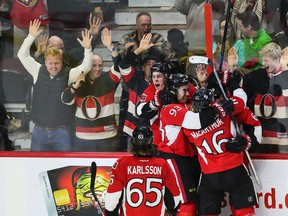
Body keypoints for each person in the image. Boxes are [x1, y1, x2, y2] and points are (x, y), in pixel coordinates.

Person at [17, 19, 92, 151]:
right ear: (45, 62)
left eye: (57, 63)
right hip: (39, 131)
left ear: (62, 62)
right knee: (37, 168)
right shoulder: (37, 70)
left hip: (62, 132)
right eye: (50, 63)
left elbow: (86, 66)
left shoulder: (68, 73)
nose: (53, 66)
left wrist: (87, 48)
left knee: (64, 169)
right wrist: (31, 36)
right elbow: (22, 55)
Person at [182, 87, 258, 216]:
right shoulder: (225, 113)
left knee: (208, 213)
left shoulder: (188, 127)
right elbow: (241, 100)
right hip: (235, 170)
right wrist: (235, 86)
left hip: (210, 175)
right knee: (245, 212)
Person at [61, 28, 122, 152]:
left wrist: (110, 47)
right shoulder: (79, 80)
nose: (98, 68)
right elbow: (65, 100)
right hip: (83, 139)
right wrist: (75, 86)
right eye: (94, 65)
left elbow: (120, 66)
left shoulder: (109, 79)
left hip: (108, 138)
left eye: (100, 65)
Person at [104, 125, 181, 216]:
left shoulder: (122, 163)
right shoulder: (163, 165)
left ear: (132, 141)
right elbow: (174, 202)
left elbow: (111, 204)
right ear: (152, 141)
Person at [243, 42, 288, 153]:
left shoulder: (286, 78)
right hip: (262, 139)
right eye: (263, 60)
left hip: (283, 141)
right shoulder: (257, 78)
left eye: (266, 60)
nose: (263, 63)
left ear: (277, 60)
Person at [117, 33, 157, 151]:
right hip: (133, 130)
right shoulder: (134, 79)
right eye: (148, 64)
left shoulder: (161, 84)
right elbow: (123, 65)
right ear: (143, 68)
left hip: (154, 132)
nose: (151, 66)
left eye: (154, 64)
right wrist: (138, 50)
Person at [34, 16, 101, 68]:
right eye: (58, 49)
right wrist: (38, 53)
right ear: (49, 48)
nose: (61, 51)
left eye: (62, 48)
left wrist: (94, 36)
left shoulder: (69, 57)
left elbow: (84, 49)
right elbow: (28, 62)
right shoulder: (41, 60)